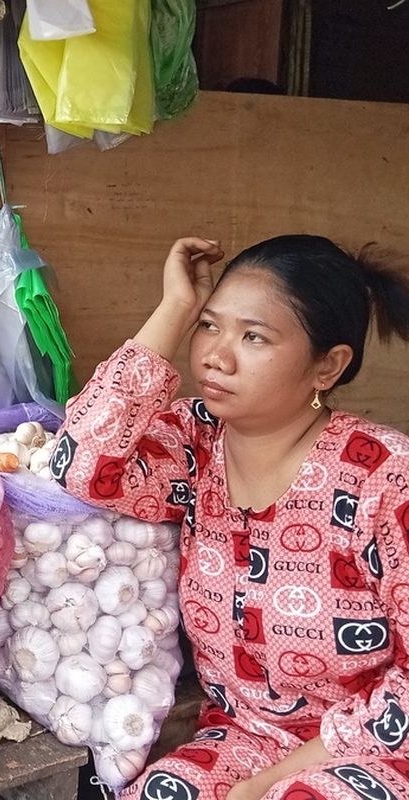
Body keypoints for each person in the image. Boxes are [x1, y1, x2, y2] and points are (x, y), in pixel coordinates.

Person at [53, 236, 409, 800]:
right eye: (210, 326)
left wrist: (267, 785)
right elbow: (80, 463)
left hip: (373, 750)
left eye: (254, 336)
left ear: (328, 366)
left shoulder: (383, 477)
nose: (216, 355)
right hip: (244, 736)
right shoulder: (197, 443)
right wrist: (175, 309)